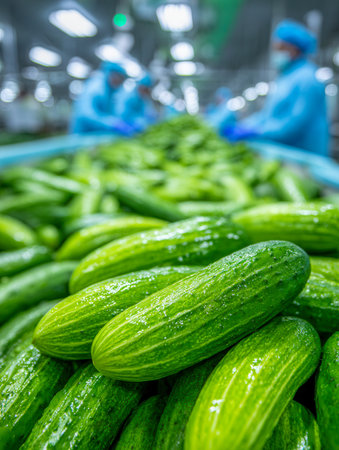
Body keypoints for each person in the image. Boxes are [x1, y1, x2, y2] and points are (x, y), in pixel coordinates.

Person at [225, 20, 329, 156]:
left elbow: (295, 123)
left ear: (294, 48)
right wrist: (245, 125)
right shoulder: (284, 78)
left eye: (280, 48)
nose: (276, 54)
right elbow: (268, 115)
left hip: (305, 155)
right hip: (286, 153)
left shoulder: (307, 78)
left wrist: (259, 131)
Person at [71, 61, 134, 135]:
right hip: (82, 134)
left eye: (122, 79)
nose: (119, 82)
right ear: (110, 74)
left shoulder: (110, 92)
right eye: (117, 77)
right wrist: (111, 123)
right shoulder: (96, 87)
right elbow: (85, 114)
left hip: (95, 136)